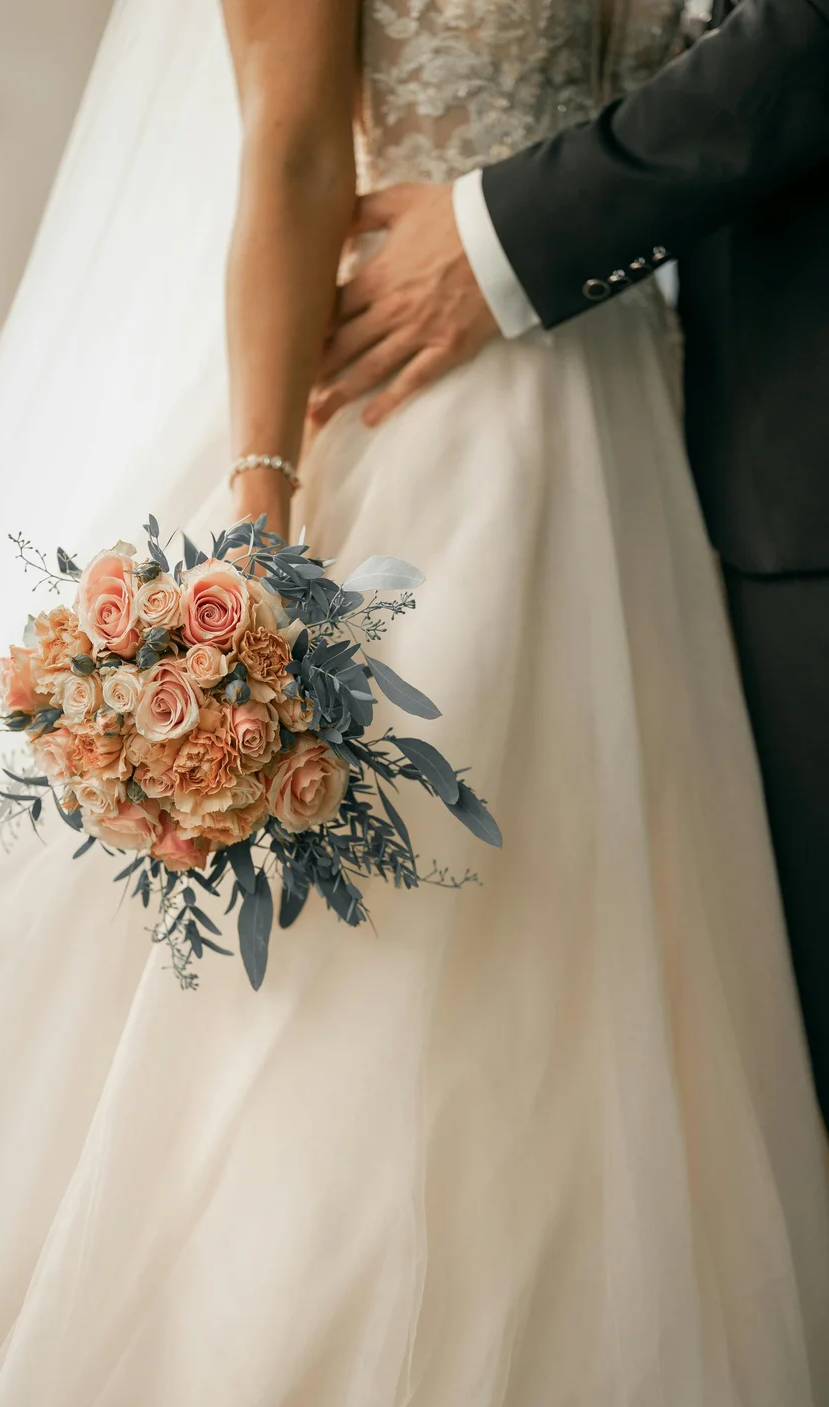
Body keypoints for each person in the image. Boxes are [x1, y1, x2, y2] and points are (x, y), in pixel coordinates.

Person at [0, 1, 827, 1407]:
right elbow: (291, 149)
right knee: (394, 980)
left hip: (642, 419)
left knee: (629, 969)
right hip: (411, 405)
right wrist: (260, 539)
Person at [314, 0, 829, 1120]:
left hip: (653, 419)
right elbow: (288, 146)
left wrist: (505, 237)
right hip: (469, 417)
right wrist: (261, 500)